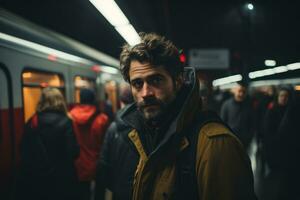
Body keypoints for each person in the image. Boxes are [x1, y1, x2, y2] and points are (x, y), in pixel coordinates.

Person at [96, 32, 256, 200]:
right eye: (137, 83)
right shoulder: (141, 135)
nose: (146, 93)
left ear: (178, 81)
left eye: (156, 80)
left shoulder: (216, 145)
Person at [17, 87, 79, 200]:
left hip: (37, 179)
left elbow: (23, 150)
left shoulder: (32, 121)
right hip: (62, 180)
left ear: (41, 101)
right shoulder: (66, 122)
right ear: (60, 100)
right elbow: (73, 152)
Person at [70, 88, 109, 200]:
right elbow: (105, 144)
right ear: (93, 99)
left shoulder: (70, 117)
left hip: (78, 164)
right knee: (99, 194)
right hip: (97, 164)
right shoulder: (102, 119)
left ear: (80, 99)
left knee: (82, 194)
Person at [220, 82, 256, 150]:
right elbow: (222, 123)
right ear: (234, 91)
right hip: (230, 141)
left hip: (244, 142)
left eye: (244, 92)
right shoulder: (226, 105)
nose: (241, 94)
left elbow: (252, 124)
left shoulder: (249, 106)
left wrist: (248, 138)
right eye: (239, 91)